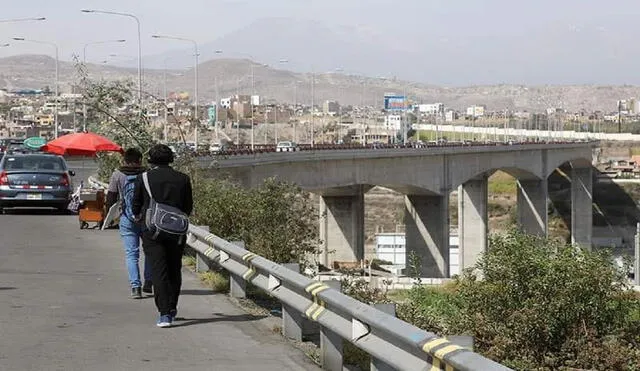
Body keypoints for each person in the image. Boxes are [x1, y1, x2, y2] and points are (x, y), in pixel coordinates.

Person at [132, 144, 193, 328]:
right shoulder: (182, 178)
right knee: (175, 268)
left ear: (150, 159)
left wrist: (138, 218)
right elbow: (187, 206)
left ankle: (164, 313)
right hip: (177, 231)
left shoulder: (144, 177)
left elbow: (136, 204)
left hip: (152, 230)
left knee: (159, 270)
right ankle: (172, 307)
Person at [106, 148, 152, 299]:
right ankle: (148, 282)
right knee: (149, 252)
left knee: (131, 254)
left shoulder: (117, 175)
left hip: (127, 218)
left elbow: (111, 197)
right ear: (140, 160)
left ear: (124, 160)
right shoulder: (147, 174)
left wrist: (110, 217)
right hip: (146, 218)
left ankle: (135, 287)